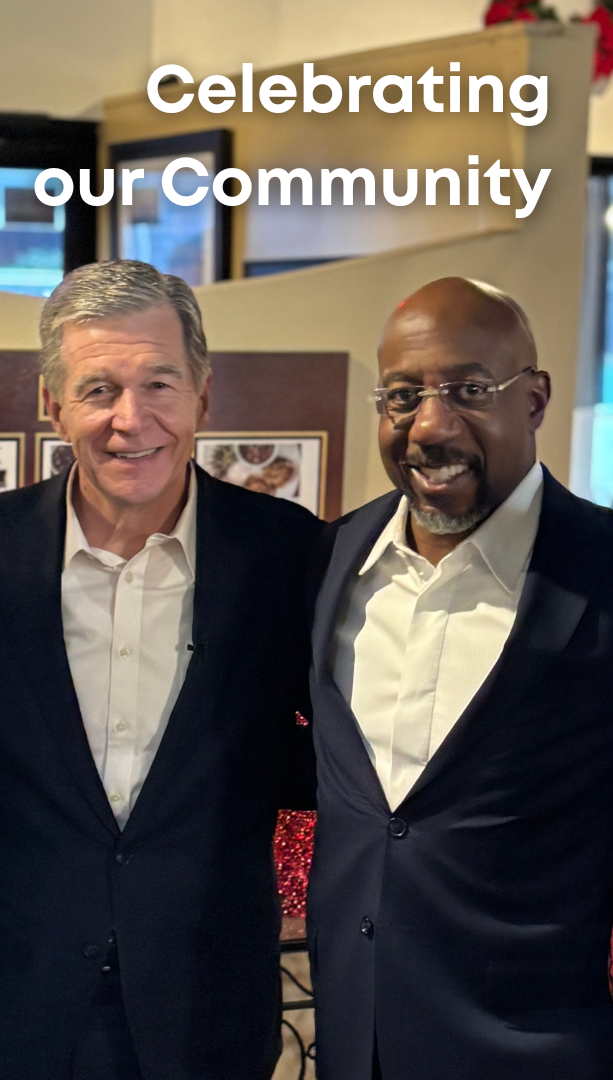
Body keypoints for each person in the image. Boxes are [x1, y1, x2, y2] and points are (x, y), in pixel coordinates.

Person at [0, 259, 318, 1080]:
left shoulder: (286, 552)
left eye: (160, 385)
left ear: (204, 395)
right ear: (50, 402)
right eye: (98, 389)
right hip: (22, 1001)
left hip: (210, 997)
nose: (130, 420)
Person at [306, 278, 613, 1079]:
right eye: (403, 395)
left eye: (470, 390)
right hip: (349, 1039)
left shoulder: (604, 573)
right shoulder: (332, 562)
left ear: (536, 399)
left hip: (537, 1052)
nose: (431, 427)